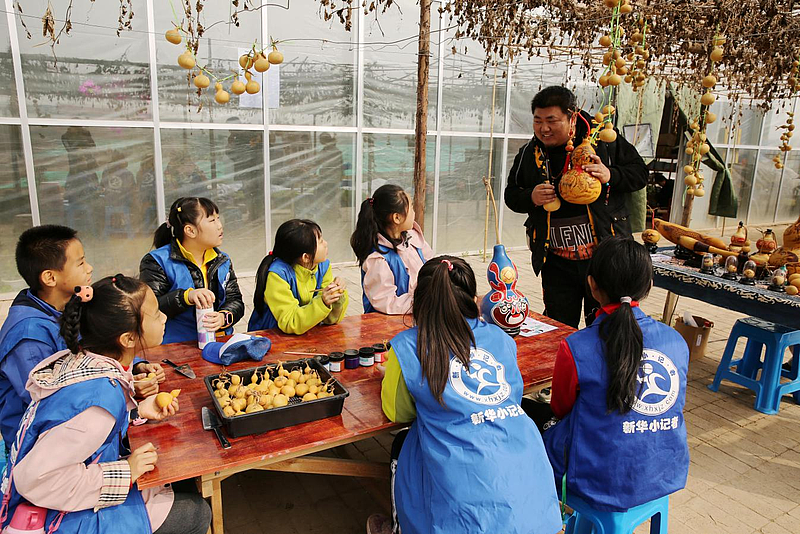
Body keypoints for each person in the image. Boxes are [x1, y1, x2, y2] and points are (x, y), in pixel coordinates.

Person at [0, 275, 211, 534]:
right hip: (57, 518)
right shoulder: (97, 402)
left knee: (179, 478)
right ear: (128, 339)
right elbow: (34, 480)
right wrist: (127, 471)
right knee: (196, 513)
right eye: (156, 314)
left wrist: (135, 413)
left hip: (68, 493)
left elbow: (84, 435)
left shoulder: (87, 362)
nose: (164, 318)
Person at [369, 256, 562, 534]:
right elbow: (513, 393)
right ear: (474, 301)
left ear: (418, 304)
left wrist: (395, 380)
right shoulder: (501, 338)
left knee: (406, 444)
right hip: (533, 497)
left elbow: (398, 413)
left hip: (463, 503)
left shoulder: (407, 347)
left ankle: (399, 526)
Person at [535, 237, 689, 512]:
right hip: (664, 471)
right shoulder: (675, 341)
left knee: (531, 420)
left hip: (597, 479)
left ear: (592, 285)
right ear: (649, 286)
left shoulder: (576, 346)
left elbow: (560, 408)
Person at [0, 226, 162, 448]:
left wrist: (134, 366)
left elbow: (98, 341)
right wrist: (124, 392)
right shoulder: (28, 337)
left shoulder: (69, 305)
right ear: (50, 277)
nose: (90, 268)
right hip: (44, 445)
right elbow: (53, 406)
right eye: (81, 263)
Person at [504, 86, 648, 328]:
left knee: (606, 326)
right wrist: (531, 197)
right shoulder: (530, 153)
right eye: (538, 121)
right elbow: (511, 195)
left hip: (604, 259)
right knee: (558, 325)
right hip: (557, 261)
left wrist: (609, 174)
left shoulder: (603, 140)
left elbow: (640, 173)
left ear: (572, 117)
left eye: (552, 121)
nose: (544, 128)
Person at [140, 197, 244, 344]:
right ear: (190, 230)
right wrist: (185, 297)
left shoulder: (222, 260)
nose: (220, 226)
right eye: (212, 220)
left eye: (218, 218)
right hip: (176, 345)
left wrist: (223, 318)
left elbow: (235, 300)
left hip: (218, 342)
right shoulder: (157, 261)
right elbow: (149, 309)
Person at [249, 219, 347, 335]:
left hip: (306, 333)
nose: (326, 243)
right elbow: (290, 322)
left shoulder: (323, 266)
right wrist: (322, 302)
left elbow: (330, 319)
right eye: (320, 241)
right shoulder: (278, 275)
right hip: (271, 335)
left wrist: (337, 295)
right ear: (306, 257)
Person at [350, 184, 433, 315]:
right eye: (411, 207)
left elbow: (432, 265)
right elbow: (387, 302)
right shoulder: (377, 258)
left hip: (418, 316)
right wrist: (425, 302)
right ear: (397, 218)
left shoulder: (413, 239)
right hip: (389, 324)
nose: (414, 212)